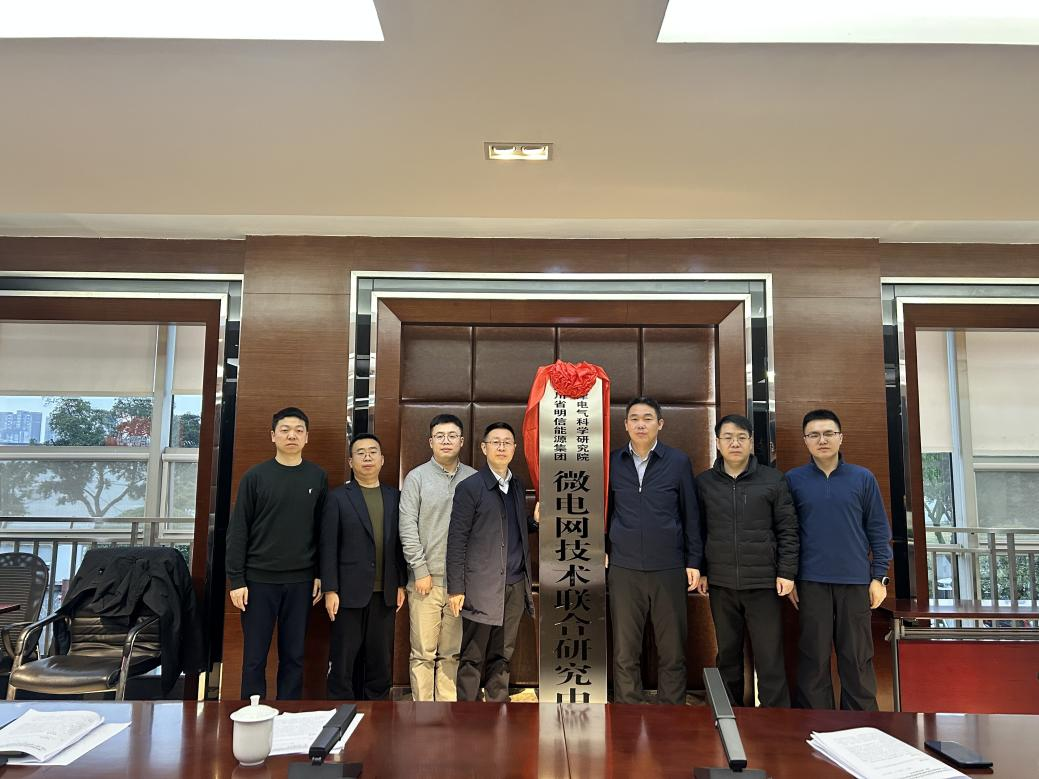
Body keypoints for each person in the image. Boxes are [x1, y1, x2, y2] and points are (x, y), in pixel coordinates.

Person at [786, 409, 893, 711]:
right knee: (813, 658)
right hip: (811, 582)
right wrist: (789, 576)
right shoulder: (793, 480)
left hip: (855, 582)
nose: (822, 440)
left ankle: (862, 724)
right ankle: (815, 724)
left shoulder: (862, 478)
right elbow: (786, 533)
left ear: (841, 437)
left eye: (828, 433)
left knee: (857, 658)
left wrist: (879, 577)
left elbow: (878, 529)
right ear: (805, 440)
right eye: (814, 435)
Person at [695, 413, 798, 708]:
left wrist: (787, 572)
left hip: (764, 583)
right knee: (727, 655)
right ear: (717, 443)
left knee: (769, 656)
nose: (735, 443)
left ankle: (775, 720)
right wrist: (702, 570)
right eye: (728, 437)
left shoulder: (773, 480)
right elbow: (697, 531)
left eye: (742, 437)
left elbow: (788, 530)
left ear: (751, 443)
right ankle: (728, 717)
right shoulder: (704, 483)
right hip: (721, 583)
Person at [226, 407, 326, 700]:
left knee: (294, 656)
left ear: (307, 437)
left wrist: (319, 574)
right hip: (257, 582)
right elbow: (238, 530)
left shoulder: (317, 476)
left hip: (301, 582)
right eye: (285, 430)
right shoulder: (255, 476)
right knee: (254, 658)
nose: (291, 435)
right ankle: (252, 715)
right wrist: (236, 579)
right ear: (273, 436)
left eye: (298, 430)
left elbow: (322, 531)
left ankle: (289, 714)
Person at [607, 396, 701, 705]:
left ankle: (671, 713)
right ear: (625, 425)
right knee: (625, 649)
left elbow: (690, 514)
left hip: (669, 566)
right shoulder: (612, 462)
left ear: (660, 424)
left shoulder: (678, 461)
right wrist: (603, 549)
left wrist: (694, 560)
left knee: (672, 648)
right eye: (634, 419)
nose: (640, 424)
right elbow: (603, 511)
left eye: (647, 418)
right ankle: (627, 710)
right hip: (623, 566)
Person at [446, 422, 538, 702]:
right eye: (495, 442)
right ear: (484, 448)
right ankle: (469, 713)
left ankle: (499, 708)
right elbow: (456, 540)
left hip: (514, 585)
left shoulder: (517, 485)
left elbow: (511, 527)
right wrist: (456, 588)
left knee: (503, 654)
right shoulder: (470, 487)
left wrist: (534, 522)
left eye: (507, 442)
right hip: (481, 588)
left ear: (514, 448)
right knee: (473, 656)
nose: (501, 447)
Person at [320, 433, 407, 700]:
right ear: (351, 461)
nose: (367, 457)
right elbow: (328, 546)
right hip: (347, 594)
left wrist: (401, 583)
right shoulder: (337, 498)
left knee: (380, 663)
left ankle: (377, 715)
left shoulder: (395, 497)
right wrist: (330, 589)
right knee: (343, 662)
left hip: (385, 594)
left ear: (382, 459)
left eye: (372, 452)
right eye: (360, 453)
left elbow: (400, 543)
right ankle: (341, 714)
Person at [398, 413, 476, 701]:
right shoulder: (416, 477)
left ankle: (446, 712)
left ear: (461, 441)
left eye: (452, 436)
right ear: (430, 442)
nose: (446, 441)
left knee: (452, 653)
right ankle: (422, 713)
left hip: (460, 583)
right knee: (422, 653)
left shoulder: (474, 479)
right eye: (440, 436)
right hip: (425, 581)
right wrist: (419, 569)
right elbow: (407, 526)